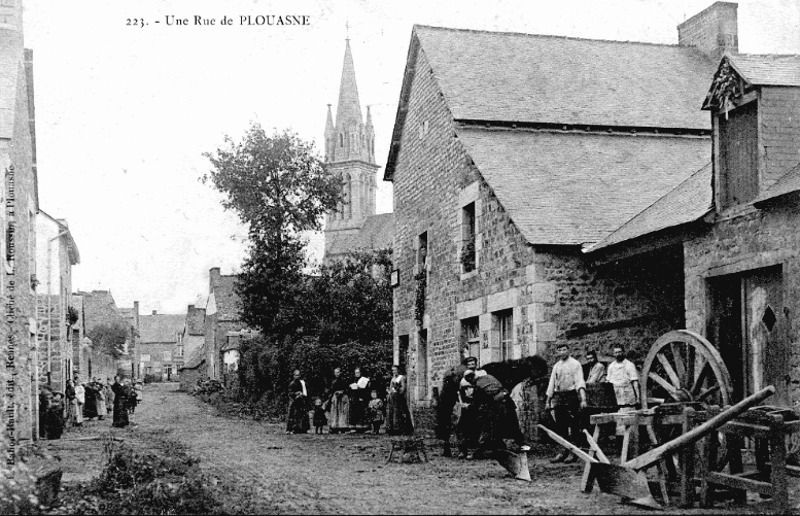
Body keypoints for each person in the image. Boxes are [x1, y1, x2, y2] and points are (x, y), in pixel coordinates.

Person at [463, 369, 531, 453]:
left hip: (498, 405)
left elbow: (477, 402)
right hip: (507, 401)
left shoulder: (478, 386)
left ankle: (482, 449)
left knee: (489, 425)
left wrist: (469, 406)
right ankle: (522, 444)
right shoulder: (489, 377)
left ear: (470, 379)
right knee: (513, 425)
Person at [545, 343, 587, 463]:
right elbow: (551, 384)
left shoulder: (575, 364)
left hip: (571, 396)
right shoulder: (556, 366)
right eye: (560, 350)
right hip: (559, 397)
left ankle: (574, 453)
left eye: (564, 349)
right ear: (557, 352)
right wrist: (548, 401)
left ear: (568, 351)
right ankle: (563, 451)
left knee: (574, 425)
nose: (562, 352)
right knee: (561, 426)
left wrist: (583, 399)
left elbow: (580, 382)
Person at [455, 357, 481, 458]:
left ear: (476, 364)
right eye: (469, 364)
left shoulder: (480, 375)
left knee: (475, 427)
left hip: (477, 404)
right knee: (461, 426)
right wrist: (462, 403)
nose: (471, 366)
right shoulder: (463, 380)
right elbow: (460, 393)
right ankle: (462, 450)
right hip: (466, 405)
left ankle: (473, 451)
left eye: (473, 364)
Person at [606, 345, 640, 410]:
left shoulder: (629, 365)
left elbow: (635, 382)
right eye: (616, 352)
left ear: (623, 352)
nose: (618, 354)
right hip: (616, 399)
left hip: (628, 398)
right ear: (613, 354)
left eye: (620, 352)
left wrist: (638, 398)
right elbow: (609, 383)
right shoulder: (611, 367)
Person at [385, 364, 413, 436]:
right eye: (392, 370)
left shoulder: (401, 378)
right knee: (391, 412)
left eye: (395, 370)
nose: (393, 372)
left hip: (399, 399)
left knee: (399, 413)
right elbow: (391, 388)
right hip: (393, 398)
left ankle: (400, 429)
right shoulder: (393, 378)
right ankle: (392, 429)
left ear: (398, 370)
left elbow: (403, 389)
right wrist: (389, 391)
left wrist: (397, 389)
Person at [286, 369, 310, 434]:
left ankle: (302, 429)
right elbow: (290, 393)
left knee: (302, 415)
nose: (297, 376)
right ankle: (291, 429)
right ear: (294, 376)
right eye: (296, 375)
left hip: (300, 401)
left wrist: (301, 394)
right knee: (293, 415)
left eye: (298, 375)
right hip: (294, 401)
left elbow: (304, 391)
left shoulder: (301, 383)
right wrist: (296, 393)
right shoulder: (292, 384)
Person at [326, 367, 350, 434]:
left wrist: (342, 392)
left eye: (338, 372)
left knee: (342, 413)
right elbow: (331, 390)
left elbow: (348, 389)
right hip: (335, 398)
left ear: (340, 373)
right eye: (335, 372)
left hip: (343, 398)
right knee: (335, 413)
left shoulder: (344, 380)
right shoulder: (333, 381)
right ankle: (334, 427)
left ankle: (342, 427)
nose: (337, 374)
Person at [348, 367, 371, 433]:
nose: (356, 374)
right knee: (354, 412)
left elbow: (366, 390)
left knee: (362, 413)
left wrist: (359, 389)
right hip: (354, 398)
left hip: (362, 398)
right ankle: (354, 427)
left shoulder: (364, 380)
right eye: (355, 373)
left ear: (360, 373)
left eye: (358, 372)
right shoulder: (353, 379)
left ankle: (364, 428)